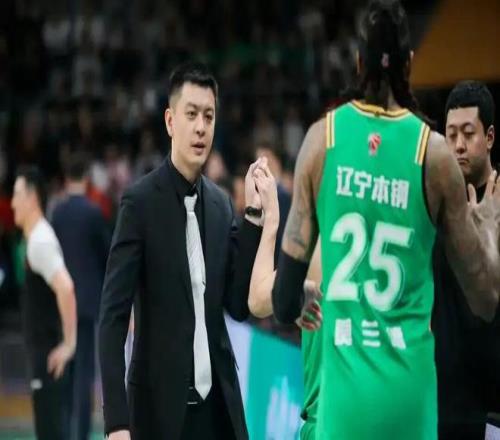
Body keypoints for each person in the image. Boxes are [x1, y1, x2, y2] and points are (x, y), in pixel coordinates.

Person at [271, 1, 500, 439]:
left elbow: (283, 305)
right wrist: (488, 225)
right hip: (408, 402)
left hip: (344, 406)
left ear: (358, 63)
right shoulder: (434, 155)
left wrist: (301, 296)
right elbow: (485, 299)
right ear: (410, 65)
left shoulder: (322, 141)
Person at [98, 62, 272, 440]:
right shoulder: (139, 204)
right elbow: (112, 318)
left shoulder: (222, 205)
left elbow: (238, 305)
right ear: (170, 121)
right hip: (157, 416)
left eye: (209, 116)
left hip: (218, 415)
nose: (200, 127)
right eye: (191, 114)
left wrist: (254, 217)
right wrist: (116, 423)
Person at [433, 80, 500, 439]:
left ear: (489, 137)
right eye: (451, 134)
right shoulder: (435, 208)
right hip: (442, 408)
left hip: (492, 411)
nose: (458, 145)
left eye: (469, 134)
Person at [11, 165, 77, 440]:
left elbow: (66, 287)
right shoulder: (36, 238)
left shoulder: (40, 241)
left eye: (17, 195)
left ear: (32, 198)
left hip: (49, 359)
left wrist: (69, 344)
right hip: (43, 356)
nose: (12, 203)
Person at [51, 151, 111, 440]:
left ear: (65, 178)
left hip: (61, 304)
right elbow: (107, 255)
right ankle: (81, 434)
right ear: (86, 178)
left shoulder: (57, 213)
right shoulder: (93, 212)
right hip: (87, 304)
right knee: (84, 374)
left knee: (65, 371)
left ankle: (63, 431)